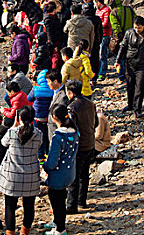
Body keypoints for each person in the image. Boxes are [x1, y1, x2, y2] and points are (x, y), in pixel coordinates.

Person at [0, 106, 42, 235]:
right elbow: (38, 145)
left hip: (12, 176)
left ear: (19, 118)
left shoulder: (12, 132)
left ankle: (10, 233)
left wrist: (13, 126)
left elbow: (3, 143)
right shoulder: (38, 134)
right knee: (29, 206)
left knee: (10, 207)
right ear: (33, 119)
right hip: (31, 175)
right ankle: (24, 231)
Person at [43, 104, 78, 235]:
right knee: (61, 199)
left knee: (56, 201)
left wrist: (44, 166)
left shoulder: (58, 137)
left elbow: (52, 162)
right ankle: (57, 221)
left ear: (54, 118)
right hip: (69, 173)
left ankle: (60, 229)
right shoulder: (74, 132)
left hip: (58, 176)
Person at [115, 16, 144, 118]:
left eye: (139, 28)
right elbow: (123, 47)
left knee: (139, 87)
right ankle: (130, 105)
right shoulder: (129, 33)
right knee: (130, 85)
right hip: (129, 63)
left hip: (142, 64)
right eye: (135, 27)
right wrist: (118, 61)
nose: (137, 30)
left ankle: (137, 108)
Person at [66, 79, 98, 214]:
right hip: (90, 143)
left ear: (71, 93)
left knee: (74, 177)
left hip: (79, 146)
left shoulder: (72, 108)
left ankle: (71, 206)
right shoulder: (90, 104)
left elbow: (71, 128)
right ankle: (81, 200)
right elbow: (95, 122)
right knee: (84, 175)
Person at [108, 0, 136, 84]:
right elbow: (135, 19)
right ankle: (131, 76)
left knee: (120, 58)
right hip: (131, 36)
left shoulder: (113, 13)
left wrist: (118, 38)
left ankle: (122, 78)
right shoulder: (129, 9)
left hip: (121, 38)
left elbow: (116, 27)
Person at [27, 69, 54, 159]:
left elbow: (29, 99)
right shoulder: (52, 91)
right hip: (47, 117)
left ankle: (40, 156)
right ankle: (47, 151)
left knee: (38, 135)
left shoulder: (35, 89)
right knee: (46, 135)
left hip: (37, 117)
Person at [46, 70, 68, 143]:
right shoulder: (55, 92)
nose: (48, 84)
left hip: (57, 129)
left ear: (55, 81)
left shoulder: (63, 95)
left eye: (49, 81)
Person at [82, 3, 103, 83]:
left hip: (85, 43)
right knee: (95, 60)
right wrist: (99, 40)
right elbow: (100, 31)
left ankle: (87, 77)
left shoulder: (84, 20)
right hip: (96, 42)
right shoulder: (97, 19)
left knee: (86, 60)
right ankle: (95, 77)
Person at [94, 0, 111, 81]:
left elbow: (106, 23)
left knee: (102, 54)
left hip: (105, 34)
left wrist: (97, 26)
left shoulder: (106, 10)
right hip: (98, 35)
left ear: (98, 2)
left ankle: (102, 72)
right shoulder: (97, 10)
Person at [43, 2, 64, 70]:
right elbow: (50, 34)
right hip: (55, 42)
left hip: (58, 40)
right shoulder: (49, 20)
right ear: (54, 9)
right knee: (55, 58)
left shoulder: (53, 17)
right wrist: (54, 45)